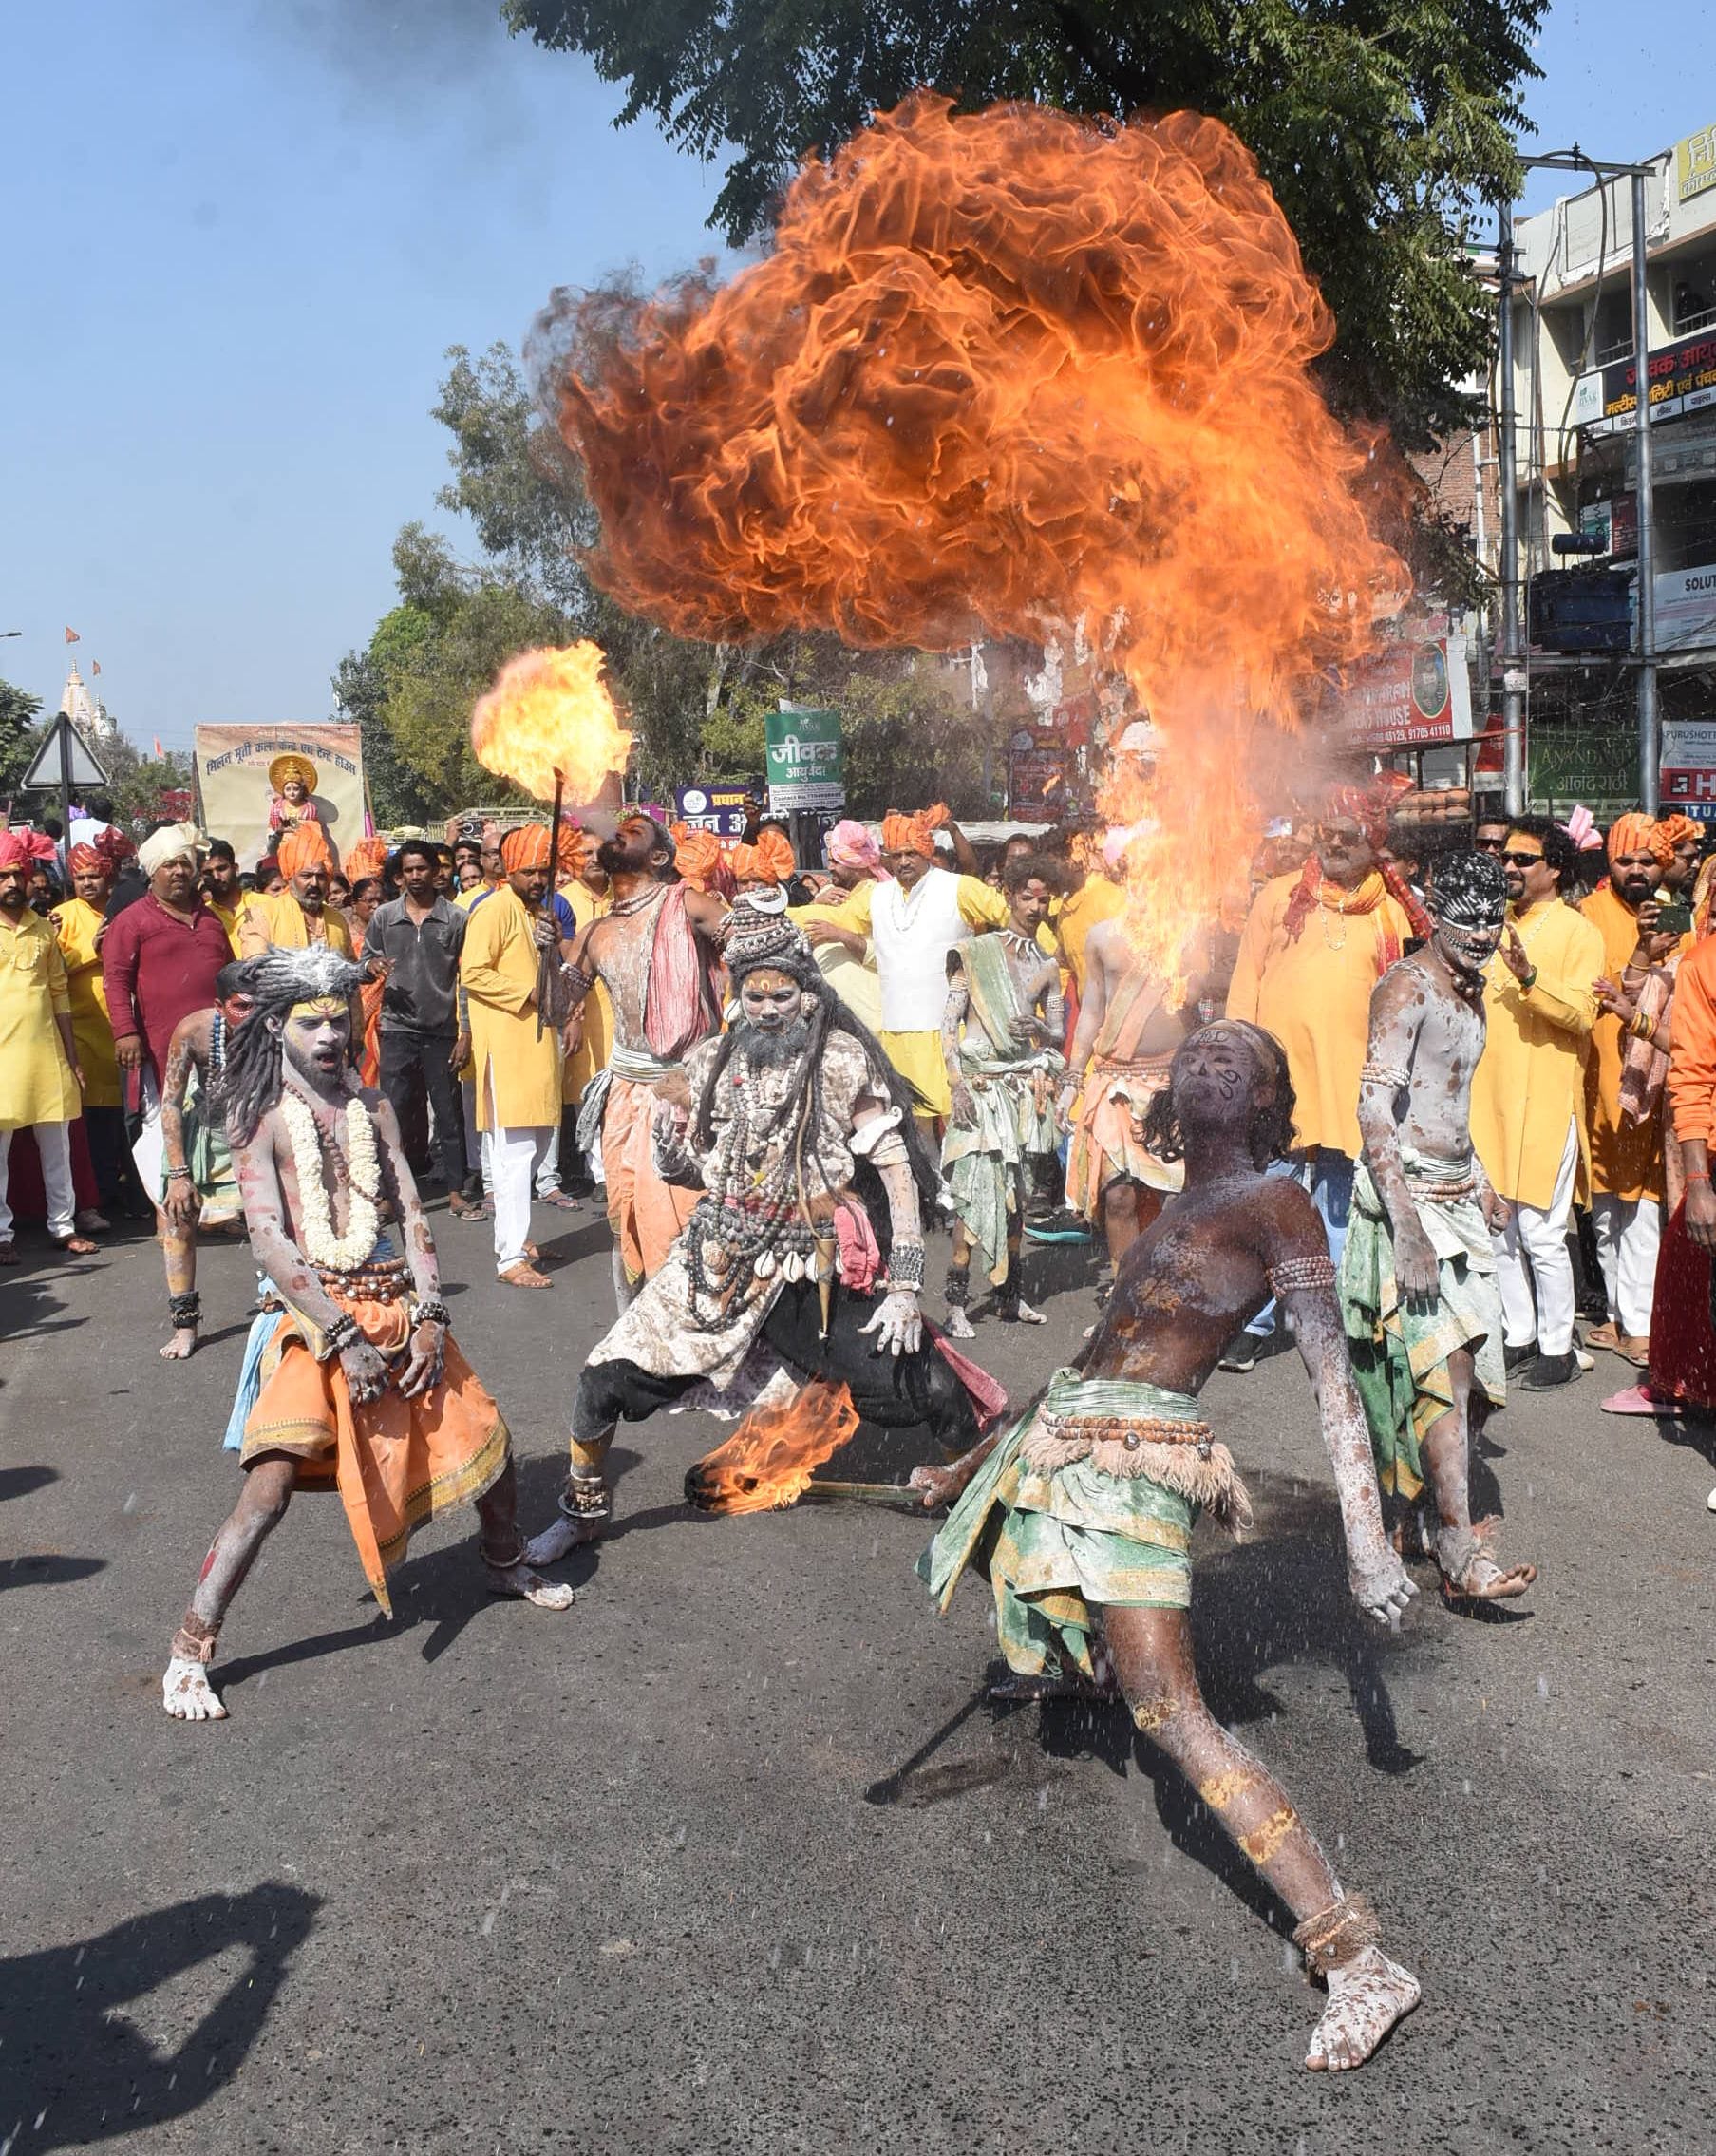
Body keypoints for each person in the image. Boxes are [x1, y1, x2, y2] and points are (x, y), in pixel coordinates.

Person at [915, 1021, 1420, 2073]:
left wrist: (1368, 1546)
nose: (1206, 1064)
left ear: (1273, 1096)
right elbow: (1082, 1359)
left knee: (1173, 1712)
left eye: (1237, 1059)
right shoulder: (1167, 1210)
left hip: (1145, 1456)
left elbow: (1331, 1381)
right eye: (1194, 1055)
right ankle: (1084, 1667)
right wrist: (966, 1470)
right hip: (1072, 1439)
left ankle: (1358, 1953)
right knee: (1071, 1637)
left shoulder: (1274, 1203)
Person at [160, 947, 574, 1722]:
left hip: (396, 1301)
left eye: (337, 1019)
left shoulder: (374, 1106)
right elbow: (269, 1242)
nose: (327, 1034)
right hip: (315, 1317)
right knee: (270, 1490)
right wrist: (341, 1336)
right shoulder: (260, 1118)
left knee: (492, 1441)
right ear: (278, 1026)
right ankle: (190, 1648)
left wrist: (430, 1314)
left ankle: (503, 1561)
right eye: (309, 1021)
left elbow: (413, 1215)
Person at [525, 904, 983, 1562]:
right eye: (753, 994)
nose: (767, 1008)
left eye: (782, 994)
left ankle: (972, 1499)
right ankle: (582, 1512)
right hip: (714, 1264)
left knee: (932, 1387)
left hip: (809, 1270)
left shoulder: (843, 1059)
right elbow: (687, 1167)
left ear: (807, 990)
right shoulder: (710, 1059)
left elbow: (895, 1170)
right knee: (603, 1379)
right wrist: (667, 1135)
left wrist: (905, 1289)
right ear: (736, 994)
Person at [1340, 852, 1535, 1603]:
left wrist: (1480, 1179)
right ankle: (1457, 1548)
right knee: (1442, 1378)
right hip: (1410, 1202)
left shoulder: (1469, 987)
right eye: (1468, 919)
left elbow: (1446, 1103)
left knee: (1478, 1378)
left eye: (1495, 919)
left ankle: (1420, 1514)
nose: (1484, 933)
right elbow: (1374, 1113)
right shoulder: (1405, 987)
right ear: (1432, 913)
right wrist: (1408, 1228)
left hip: (1456, 1195)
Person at [1226, 787, 1424, 1276]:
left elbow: (1408, 996)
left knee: (1344, 1201)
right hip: (1279, 1079)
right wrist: (1237, 1063)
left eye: (1347, 836)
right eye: (1327, 834)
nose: (1333, 845)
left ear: (1373, 842)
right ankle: (1257, 1317)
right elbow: (1245, 981)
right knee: (1271, 1196)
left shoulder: (1391, 912)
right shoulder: (1280, 896)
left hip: (1352, 1080)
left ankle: (1335, 1307)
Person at [563, 811, 726, 1296]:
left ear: (658, 856)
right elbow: (554, 1007)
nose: (619, 832)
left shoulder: (687, 904)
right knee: (626, 1214)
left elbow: (762, 957)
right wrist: (547, 952)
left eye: (634, 830)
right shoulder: (594, 932)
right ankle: (637, 1330)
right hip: (624, 1094)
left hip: (682, 1090)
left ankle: (696, 1325)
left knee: (681, 1219)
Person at [1468, 818, 1604, 1390]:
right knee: (1499, 1229)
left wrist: (1528, 976)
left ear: (1555, 870)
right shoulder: (1488, 924)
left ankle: (1558, 1347)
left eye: (1524, 860)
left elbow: (1582, 1014)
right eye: (1506, 858)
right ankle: (1518, 1333)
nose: (1509, 868)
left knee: (1544, 1234)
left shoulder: (1579, 931)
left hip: (1546, 1099)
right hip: (1488, 1097)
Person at [104, 824, 236, 1329]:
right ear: (152, 872)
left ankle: (214, 1207)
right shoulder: (132, 920)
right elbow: (115, 979)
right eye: (170, 865)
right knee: (166, 1138)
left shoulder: (209, 919)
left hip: (218, 1050)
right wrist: (124, 1032)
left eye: (186, 863)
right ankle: (171, 1217)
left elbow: (229, 977)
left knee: (220, 1136)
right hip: (161, 1054)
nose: (180, 872)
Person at [940, 855, 1065, 1334]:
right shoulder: (975, 951)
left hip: (1020, 1089)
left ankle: (1010, 1296)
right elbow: (949, 1021)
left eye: (1043, 898)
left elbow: (1056, 1031)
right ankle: (955, 1304)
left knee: (1018, 1193)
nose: (1035, 906)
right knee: (972, 1192)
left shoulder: (1048, 965)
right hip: (979, 1087)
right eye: (1026, 896)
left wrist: (1040, 1026)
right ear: (1009, 896)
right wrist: (956, 1085)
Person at [1580, 815, 1686, 1364]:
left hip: (1656, 1083)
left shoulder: (1681, 918)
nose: (1638, 870)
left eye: (1648, 860)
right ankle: (1620, 1317)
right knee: (1605, 1212)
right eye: (1627, 860)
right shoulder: (1587, 916)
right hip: (1598, 1077)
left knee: (1644, 1208)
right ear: (1610, 864)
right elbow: (1593, 994)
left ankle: (1641, 1326)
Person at [833, 807, 1009, 1124]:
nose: (903, 861)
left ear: (927, 851)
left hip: (949, 1030)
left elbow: (1011, 917)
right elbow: (836, 921)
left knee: (960, 1119)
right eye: (896, 854)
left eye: (911, 853)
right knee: (910, 1124)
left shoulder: (958, 887)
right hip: (897, 1030)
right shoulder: (876, 895)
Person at [458, 823, 575, 1288]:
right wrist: (528, 992)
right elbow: (473, 973)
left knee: (535, 1150)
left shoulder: (535, 914)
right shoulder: (495, 910)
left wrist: (548, 949)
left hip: (538, 1049)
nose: (538, 880)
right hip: (507, 1051)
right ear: (508, 870)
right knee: (513, 1154)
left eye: (543, 871)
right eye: (530, 871)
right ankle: (509, 1258)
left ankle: (518, 1234)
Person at [1065, 911, 1191, 1270]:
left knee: (1172, 1197)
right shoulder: (1102, 936)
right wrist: (1073, 1077)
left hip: (1168, 1084)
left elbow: (1198, 998)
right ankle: (1124, 1297)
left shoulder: (1185, 929)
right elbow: (1092, 1008)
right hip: (1114, 1083)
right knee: (1119, 1196)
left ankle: (1165, 1290)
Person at [366, 839, 479, 1220]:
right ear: (400, 877)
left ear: (436, 872)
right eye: (409, 870)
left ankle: (455, 1191)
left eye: (422, 869)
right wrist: (372, 967)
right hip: (396, 1028)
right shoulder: (384, 917)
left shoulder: (456, 918)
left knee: (448, 1113)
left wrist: (466, 1033)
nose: (416, 876)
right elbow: (365, 958)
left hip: (442, 1029)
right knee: (392, 1113)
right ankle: (388, 1194)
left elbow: (467, 977)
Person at [153, 959, 259, 1356]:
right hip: (205, 1134)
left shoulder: (278, 1028)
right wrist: (179, 1173)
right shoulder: (193, 1031)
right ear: (219, 1006)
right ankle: (185, 1326)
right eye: (241, 1006)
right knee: (177, 1222)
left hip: (257, 1133)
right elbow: (171, 1104)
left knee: (274, 1222)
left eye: (260, 1004)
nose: (252, 1015)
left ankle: (280, 1310)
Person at [0, 828, 95, 1261]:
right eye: (3, 877)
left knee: (58, 1146)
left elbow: (59, 992)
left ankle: (64, 1226)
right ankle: (2, 1236)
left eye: (17, 876)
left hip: (46, 1053)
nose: (11, 885)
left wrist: (72, 1059)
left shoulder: (42, 929)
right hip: (3, 1057)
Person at [52, 830, 131, 1227]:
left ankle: (130, 1193)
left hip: (123, 1028)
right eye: (80, 877)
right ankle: (96, 1197)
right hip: (82, 1032)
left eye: (94, 876)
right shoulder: (63, 916)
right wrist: (92, 951)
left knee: (126, 1117)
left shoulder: (124, 909)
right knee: (93, 1123)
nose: (87, 883)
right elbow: (52, 971)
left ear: (109, 876)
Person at [791, 818, 885, 1033]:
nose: (829, 866)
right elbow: (802, 923)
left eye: (835, 861)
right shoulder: (827, 895)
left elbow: (889, 956)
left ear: (857, 864)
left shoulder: (878, 895)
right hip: (831, 1016)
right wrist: (816, 903)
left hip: (873, 1017)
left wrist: (842, 935)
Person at [238, 825, 353, 955]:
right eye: (306, 876)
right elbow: (256, 966)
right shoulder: (262, 914)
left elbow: (349, 966)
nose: (314, 883)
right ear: (289, 877)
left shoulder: (337, 919)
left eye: (321, 876)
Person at [199, 840, 246, 953]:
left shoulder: (266, 904)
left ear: (235, 868)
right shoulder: (203, 918)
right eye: (208, 873)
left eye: (221, 869)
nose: (216, 876)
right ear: (201, 877)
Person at [265, 753, 320, 837]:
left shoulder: (310, 808)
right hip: (281, 843)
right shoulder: (277, 808)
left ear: (302, 790)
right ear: (283, 791)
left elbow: (314, 829)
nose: (292, 792)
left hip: (304, 843)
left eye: (296, 789)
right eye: (288, 789)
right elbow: (273, 827)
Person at [1657, 812, 1704, 899]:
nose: (1697, 865)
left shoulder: (1679, 899)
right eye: (1689, 858)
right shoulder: (1647, 901)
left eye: (1697, 857)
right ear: (1665, 856)